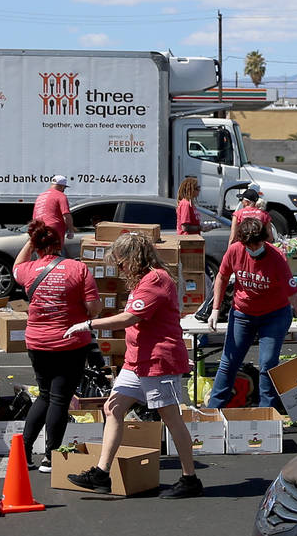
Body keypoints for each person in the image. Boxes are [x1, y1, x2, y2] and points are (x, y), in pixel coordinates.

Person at [62, 234, 201, 499]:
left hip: (158, 361)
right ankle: (102, 473)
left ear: (135, 258)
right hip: (137, 361)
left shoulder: (156, 280)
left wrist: (89, 325)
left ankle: (190, 478)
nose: (119, 269)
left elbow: (129, 318)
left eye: (122, 263)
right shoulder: (143, 281)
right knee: (112, 407)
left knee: (171, 419)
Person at [206, 218, 297, 410]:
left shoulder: (277, 257)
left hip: (274, 316)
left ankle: (266, 413)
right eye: (249, 245)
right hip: (242, 314)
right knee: (228, 363)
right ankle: (212, 411)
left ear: (264, 240)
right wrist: (215, 310)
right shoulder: (235, 250)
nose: (254, 248)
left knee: (267, 365)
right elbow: (221, 276)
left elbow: (294, 295)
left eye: (258, 244)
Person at [13, 220, 102, 472]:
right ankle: (51, 456)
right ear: (60, 244)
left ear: (36, 245)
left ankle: (24, 452)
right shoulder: (78, 269)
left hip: (38, 342)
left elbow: (16, 266)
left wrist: (31, 242)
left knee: (44, 394)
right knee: (60, 399)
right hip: (70, 343)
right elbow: (94, 308)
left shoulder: (28, 270)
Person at [33, 174, 75, 241]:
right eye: (64, 187)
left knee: (43, 251)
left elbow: (35, 217)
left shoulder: (40, 196)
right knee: (54, 251)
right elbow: (66, 215)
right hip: (54, 231)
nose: (64, 189)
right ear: (61, 186)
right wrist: (71, 231)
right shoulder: (61, 196)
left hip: (39, 230)